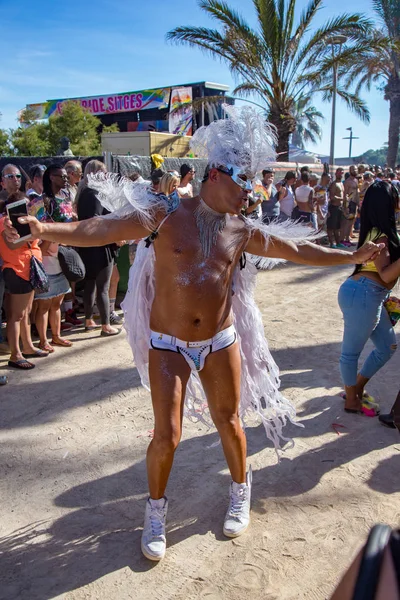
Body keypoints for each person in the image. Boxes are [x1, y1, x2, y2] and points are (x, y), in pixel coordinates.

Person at [5, 105, 383, 561]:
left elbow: (299, 250)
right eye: (245, 182)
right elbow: (100, 228)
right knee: (166, 435)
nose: (251, 193)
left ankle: (240, 490)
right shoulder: (163, 214)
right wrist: (43, 228)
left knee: (230, 423)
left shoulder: (241, 230)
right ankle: (156, 511)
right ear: (217, 176)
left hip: (220, 343)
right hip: (168, 345)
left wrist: (351, 255)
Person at [338, 181, 400, 415]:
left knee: (387, 347)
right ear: (388, 203)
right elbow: (384, 274)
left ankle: (357, 388)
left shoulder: (380, 233)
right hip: (363, 294)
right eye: (395, 196)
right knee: (351, 352)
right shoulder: (382, 237)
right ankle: (351, 401)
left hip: (369, 294)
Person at [0, 192, 48, 369]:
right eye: (25, 206)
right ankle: (15, 355)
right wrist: (33, 233)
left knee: (26, 312)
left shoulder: (26, 223)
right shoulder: (5, 222)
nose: (28, 209)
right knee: (16, 315)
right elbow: (12, 244)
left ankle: (27, 347)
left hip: (29, 269)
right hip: (16, 270)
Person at [75, 160, 121, 337]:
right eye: (103, 172)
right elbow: (96, 220)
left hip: (89, 246)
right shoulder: (94, 193)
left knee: (91, 284)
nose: (106, 175)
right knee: (102, 285)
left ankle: (88, 319)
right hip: (100, 246)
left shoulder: (84, 193)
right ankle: (106, 325)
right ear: (94, 173)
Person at [327, 168, 345, 248]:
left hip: (340, 207)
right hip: (333, 207)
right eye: (339, 173)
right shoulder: (334, 184)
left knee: (337, 227)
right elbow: (332, 197)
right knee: (331, 227)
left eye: (342, 173)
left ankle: (338, 243)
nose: (340, 174)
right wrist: (342, 199)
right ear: (336, 174)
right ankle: (331, 243)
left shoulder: (341, 183)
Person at [342, 165, 359, 246]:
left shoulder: (356, 180)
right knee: (348, 222)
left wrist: (358, 203)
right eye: (353, 169)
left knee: (351, 222)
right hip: (350, 202)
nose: (355, 170)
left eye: (355, 169)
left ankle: (348, 238)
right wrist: (346, 206)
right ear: (350, 171)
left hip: (355, 203)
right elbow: (345, 194)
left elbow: (357, 193)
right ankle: (344, 239)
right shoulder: (347, 182)